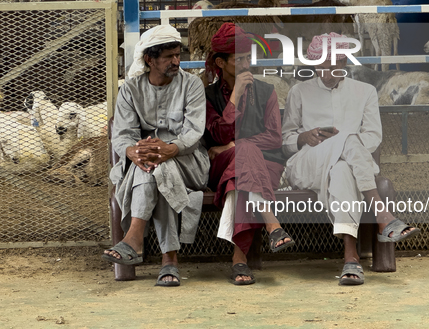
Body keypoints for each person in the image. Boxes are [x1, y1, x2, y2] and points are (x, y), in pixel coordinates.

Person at [281, 33, 420, 286]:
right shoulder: (299, 91)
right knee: (346, 141)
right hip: (307, 164)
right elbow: (287, 142)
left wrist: (342, 145)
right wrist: (305, 137)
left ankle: (351, 258)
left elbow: (373, 137)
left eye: (333, 64)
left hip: (350, 166)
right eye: (321, 65)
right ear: (313, 64)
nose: (327, 70)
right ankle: (383, 216)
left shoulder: (364, 92)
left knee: (343, 168)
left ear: (344, 62)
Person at [102, 25, 210, 287]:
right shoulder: (130, 90)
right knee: (158, 172)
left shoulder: (192, 85)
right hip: (146, 163)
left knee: (160, 168)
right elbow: (123, 135)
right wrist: (134, 152)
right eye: (168, 56)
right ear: (149, 59)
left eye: (177, 55)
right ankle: (169, 261)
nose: (176, 61)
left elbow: (193, 132)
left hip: (188, 162)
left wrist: (168, 149)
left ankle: (133, 238)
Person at [204, 23, 295, 285]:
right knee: (241, 162)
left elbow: (274, 137)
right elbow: (218, 136)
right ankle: (272, 225)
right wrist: (236, 94)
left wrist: (236, 146)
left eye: (248, 57)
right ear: (221, 62)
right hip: (222, 166)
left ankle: (238, 260)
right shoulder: (208, 95)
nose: (247, 63)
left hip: (265, 165)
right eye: (240, 59)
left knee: (240, 175)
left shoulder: (267, 91)